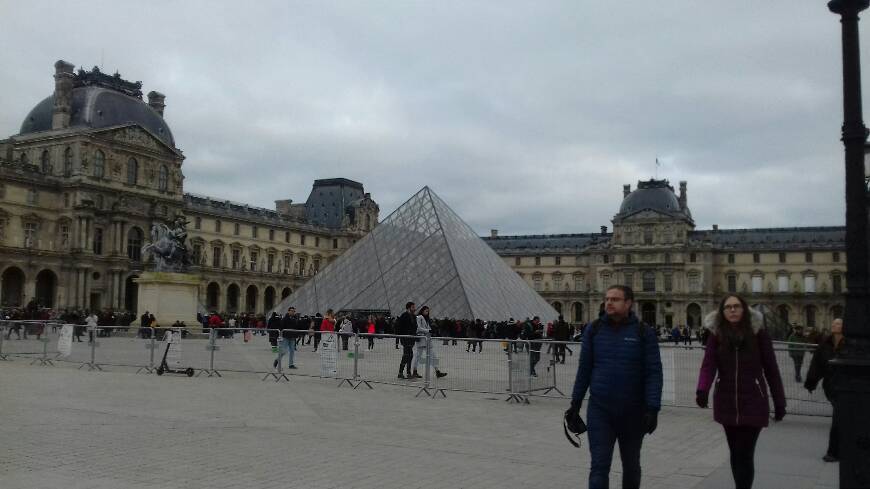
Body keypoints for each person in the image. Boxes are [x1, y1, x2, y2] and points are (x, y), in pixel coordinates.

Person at [566, 285, 663, 489]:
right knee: (599, 466)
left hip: (633, 411)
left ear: (629, 303)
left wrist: (653, 408)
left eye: (615, 299)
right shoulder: (594, 329)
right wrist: (575, 403)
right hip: (600, 411)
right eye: (607, 298)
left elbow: (653, 372)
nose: (609, 302)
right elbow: (584, 369)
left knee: (631, 465)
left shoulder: (643, 332)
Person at [696, 295, 786, 489]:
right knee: (735, 452)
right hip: (726, 401)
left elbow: (771, 368)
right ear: (722, 312)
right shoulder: (716, 334)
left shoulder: (758, 333)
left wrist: (780, 401)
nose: (732, 310)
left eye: (736, 306)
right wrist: (702, 389)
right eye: (728, 307)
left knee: (745, 453)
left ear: (744, 309)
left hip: (754, 399)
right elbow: (708, 364)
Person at [804, 318, 845, 463]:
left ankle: (834, 451)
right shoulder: (825, 344)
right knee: (841, 416)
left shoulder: (851, 344)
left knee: (840, 417)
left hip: (846, 386)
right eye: (833, 323)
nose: (834, 325)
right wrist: (811, 382)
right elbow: (816, 364)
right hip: (831, 386)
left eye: (838, 323)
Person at [411, 305, 447, 379]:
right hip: (422, 339)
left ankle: (437, 371)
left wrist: (431, 330)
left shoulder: (426, 319)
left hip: (426, 340)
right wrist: (428, 331)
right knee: (418, 356)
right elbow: (418, 328)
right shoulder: (419, 317)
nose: (427, 312)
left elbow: (427, 328)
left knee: (432, 356)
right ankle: (415, 371)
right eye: (426, 311)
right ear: (422, 310)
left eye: (428, 311)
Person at [397, 302, 417, 379]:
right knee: (406, 355)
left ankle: (408, 373)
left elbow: (415, 327)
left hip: (411, 339)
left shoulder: (414, 316)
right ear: (408, 308)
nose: (414, 309)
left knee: (410, 355)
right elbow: (399, 327)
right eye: (413, 307)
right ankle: (400, 372)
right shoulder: (404, 315)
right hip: (405, 338)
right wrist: (401, 337)